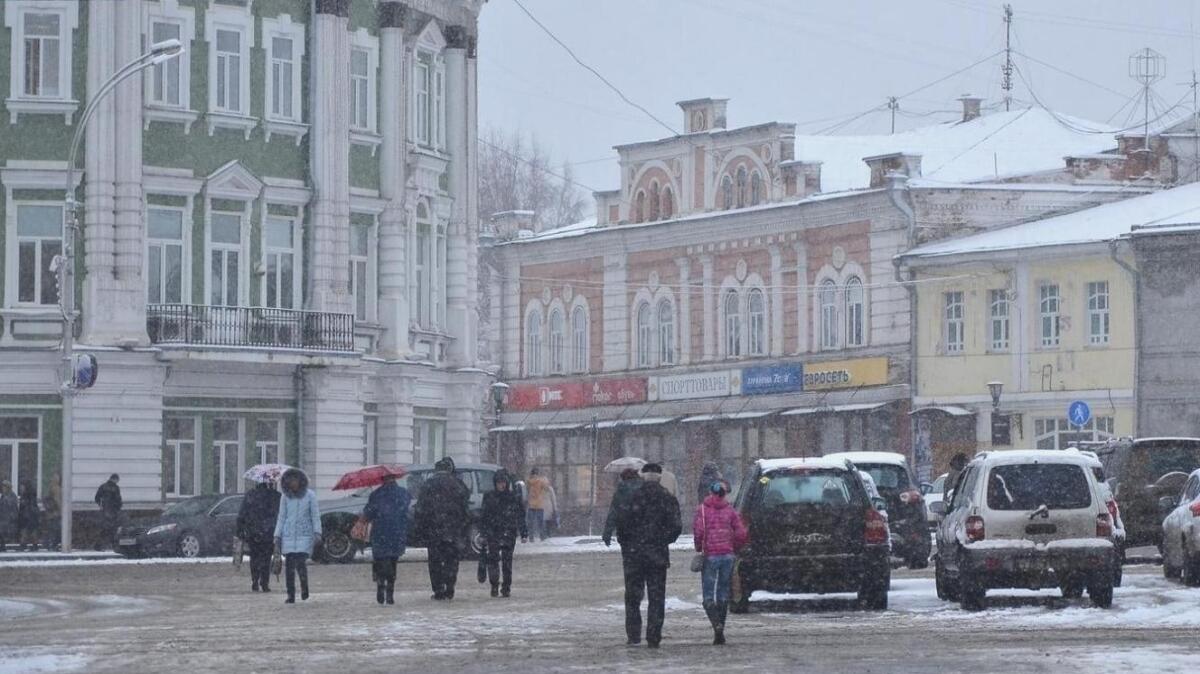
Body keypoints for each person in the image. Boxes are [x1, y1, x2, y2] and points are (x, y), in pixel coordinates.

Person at [616, 463, 682, 649]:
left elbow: (621, 526)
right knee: (656, 597)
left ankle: (633, 635)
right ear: (660, 477)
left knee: (632, 597)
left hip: (633, 556)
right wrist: (662, 540)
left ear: (643, 476)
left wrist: (628, 545)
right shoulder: (667, 498)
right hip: (657, 555)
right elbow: (676, 526)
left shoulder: (632, 498)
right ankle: (654, 636)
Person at [693, 480, 748, 645]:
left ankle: (716, 624)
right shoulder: (730, 510)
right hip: (727, 556)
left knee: (708, 595)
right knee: (723, 593)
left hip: (710, 556)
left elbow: (699, 532)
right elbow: (741, 533)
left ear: (711, 492)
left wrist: (699, 547)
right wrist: (734, 547)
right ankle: (720, 630)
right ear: (725, 494)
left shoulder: (702, 510)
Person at [412, 457, 470, 600]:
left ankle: (438, 589)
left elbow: (420, 509)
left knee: (435, 561)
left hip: (434, 530)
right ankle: (450, 587)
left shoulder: (428, 484)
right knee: (452, 560)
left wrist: (421, 527)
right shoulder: (458, 484)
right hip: (453, 530)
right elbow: (465, 507)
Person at [274, 468, 321, 604]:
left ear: (300, 481)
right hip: (288, 535)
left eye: (294, 480)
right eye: (290, 481)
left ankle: (304, 588)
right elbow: (281, 517)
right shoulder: (285, 497)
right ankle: (291, 594)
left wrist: (317, 532)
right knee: (289, 568)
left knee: (300, 564)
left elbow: (315, 516)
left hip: (304, 535)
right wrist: (277, 535)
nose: (292, 483)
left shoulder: (310, 496)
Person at [363, 473, 411, 605]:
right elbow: (406, 510)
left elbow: (369, 513)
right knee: (393, 561)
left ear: (382, 479)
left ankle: (380, 584)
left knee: (380, 560)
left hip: (380, 532)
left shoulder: (376, 495)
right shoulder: (403, 493)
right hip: (397, 532)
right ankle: (390, 591)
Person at [480, 470, 527, 598]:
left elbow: (520, 515)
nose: (501, 485)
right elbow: (483, 517)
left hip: (507, 532)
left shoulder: (512, 497)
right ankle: (494, 585)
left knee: (507, 561)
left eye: (503, 483)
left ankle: (506, 587)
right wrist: (483, 532)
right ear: (495, 483)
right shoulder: (490, 497)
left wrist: (523, 532)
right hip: (494, 532)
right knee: (493, 559)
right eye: (499, 483)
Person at [237, 480, 281, 593]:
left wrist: (240, 530)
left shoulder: (251, 495)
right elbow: (279, 514)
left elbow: (242, 514)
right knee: (266, 558)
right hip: (269, 532)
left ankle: (255, 581)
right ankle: (265, 583)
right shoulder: (275, 496)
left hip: (253, 532)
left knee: (254, 557)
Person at [602, 468, 643, 548]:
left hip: (624, 531)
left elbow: (613, 513)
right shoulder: (645, 488)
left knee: (628, 557)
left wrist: (607, 533)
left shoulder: (620, 491)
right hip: (643, 531)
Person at [93, 474, 122, 551]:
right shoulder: (116, 488)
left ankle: (99, 545)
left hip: (105, 510)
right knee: (112, 529)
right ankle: (113, 546)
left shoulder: (103, 486)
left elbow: (97, 498)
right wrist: (118, 508)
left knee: (105, 529)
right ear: (115, 479)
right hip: (113, 511)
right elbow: (118, 500)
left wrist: (101, 505)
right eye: (117, 480)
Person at [526, 468, 551, 542]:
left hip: (531, 504)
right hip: (539, 504)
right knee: (541, 522)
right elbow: (547, 488)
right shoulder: (541, 481)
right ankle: (542, 537)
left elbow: (527, 490)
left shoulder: (528, 481)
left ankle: (531, 537)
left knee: (530, 523)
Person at [17, 481, 40, 552]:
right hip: (28, 517)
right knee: (29, 531)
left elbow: (30, 507)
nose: (20, 488)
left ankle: (24, 545)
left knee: (27, 531)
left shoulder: (28, 496)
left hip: (29, 517)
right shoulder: (25, 496)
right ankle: (30, 545)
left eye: (22, 486)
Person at [0, 481, 17, 552]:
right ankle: (2, 545)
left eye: (4, 487)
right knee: (1, 532)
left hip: (8, 517)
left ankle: (3, 546)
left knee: (3, 532)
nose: (2, 488)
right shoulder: (3, 495)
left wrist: (12, 516)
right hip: (2, 516)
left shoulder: (12, 495)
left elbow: (13, 506)